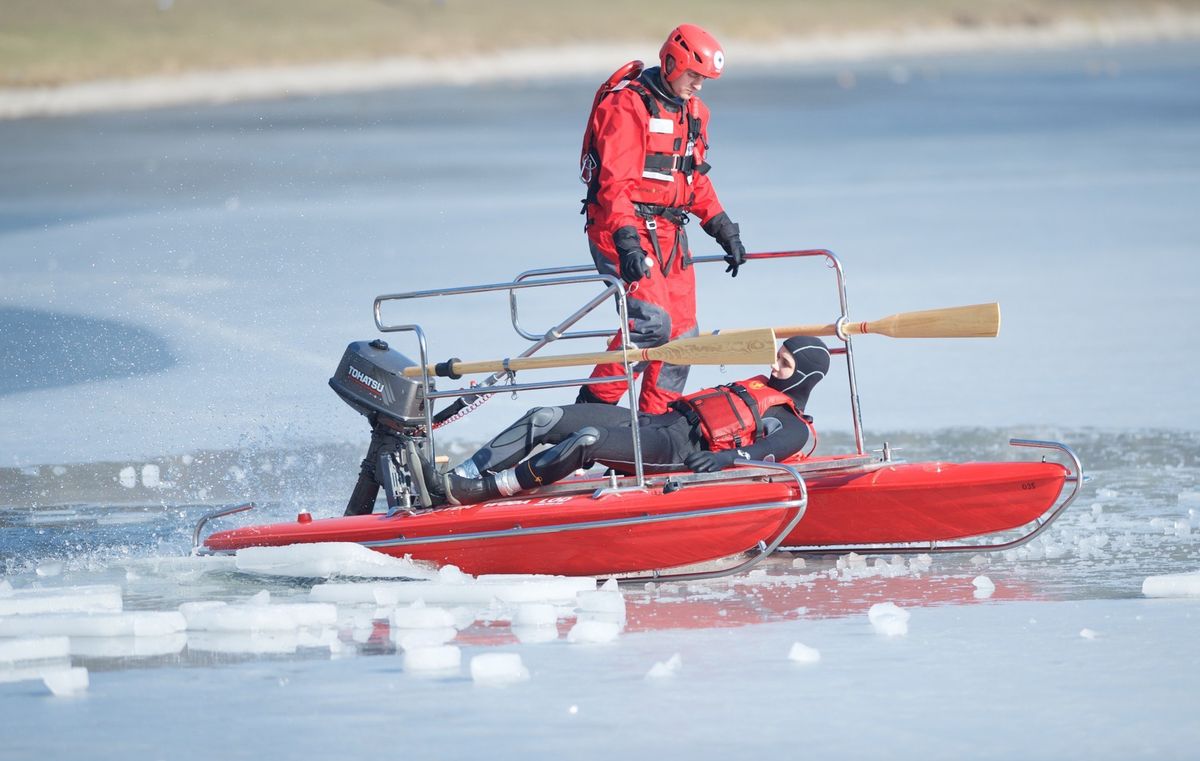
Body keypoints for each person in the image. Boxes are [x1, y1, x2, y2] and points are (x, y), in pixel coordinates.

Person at [418, 337, 830, 507]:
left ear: (806, 376)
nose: (772, 365)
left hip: (677, 452)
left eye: (784, 361)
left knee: (588, 439)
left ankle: (486, 489)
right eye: (777, 356)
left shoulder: (790, 423)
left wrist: (725, 461)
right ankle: (462, 474)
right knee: (545, 417)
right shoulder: (760, 386)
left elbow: (763, 453)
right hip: (656, 422)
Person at [577, 23, 748, 415]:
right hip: (620, 227)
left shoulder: (694, 112)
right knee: (652, 324)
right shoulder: (626, 106)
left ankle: (655, 430)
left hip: (670, 233)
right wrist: (627, 242)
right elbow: (614, 185)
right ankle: (590, 412)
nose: (699, 85)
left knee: (685, 335)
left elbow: (693, 180)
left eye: (704, 78)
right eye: (694, 75)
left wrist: (723, 229)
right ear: (671, 63)